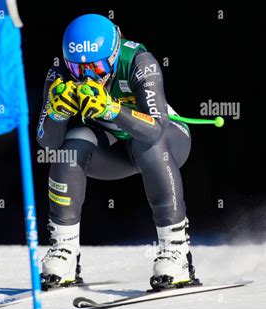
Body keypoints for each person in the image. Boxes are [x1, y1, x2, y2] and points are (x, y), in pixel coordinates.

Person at [37, 14, 197, 290]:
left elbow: (156, 128)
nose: (88, 77)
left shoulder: (138, 62)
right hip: (114, 150)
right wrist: (56, 112)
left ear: (113, 55)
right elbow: (46, 143)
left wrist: (111, 109)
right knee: (70, 147)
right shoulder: (58, 75)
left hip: (166, 141)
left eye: (97, 67)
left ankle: (176, 250)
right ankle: (64, 249)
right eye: (78, 70)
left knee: (146, 143)